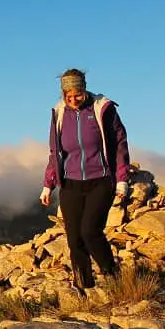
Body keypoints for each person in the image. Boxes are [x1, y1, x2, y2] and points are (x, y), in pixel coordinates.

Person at [40, 68, 131, 291]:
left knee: (90, 231)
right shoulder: (59, 112)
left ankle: (113, 276)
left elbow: (120, 144)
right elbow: (55, 151)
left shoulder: (102, 109)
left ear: (84, 89)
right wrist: (48, 184)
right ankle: (84, 286)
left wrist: (122, 179)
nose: (72, 100)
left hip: (100, 179)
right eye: (67, 96)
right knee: (74, 239)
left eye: (77, 95)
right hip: (70, 182)